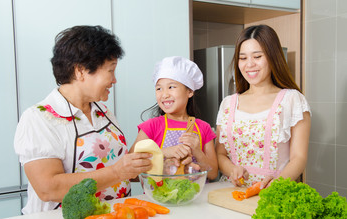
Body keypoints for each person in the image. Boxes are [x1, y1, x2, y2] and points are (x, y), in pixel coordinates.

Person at [14, 25, 152, 214]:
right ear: (80, 71)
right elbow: (48, 188)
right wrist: (117, 172)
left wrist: (150, 164)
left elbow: (119, 169)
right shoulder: (39, 118)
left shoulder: (103, 111)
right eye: (110, 70)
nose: (114, 80)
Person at [216, 25, 311, 189]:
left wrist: (277, 184)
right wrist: (233, 170)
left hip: (273, 195)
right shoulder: (228, 103)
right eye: (243, 58)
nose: (249, 64)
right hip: (232, 194)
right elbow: (220, 154)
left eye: (257, 56)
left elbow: (299, 158)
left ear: (273, 57)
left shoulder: (292, 100)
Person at [130, 56, 218, 180]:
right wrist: (163, 153)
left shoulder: (203, 127)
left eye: (171, 87)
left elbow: (213, 174)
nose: (165, 94)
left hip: (197, 197)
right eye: (159, 88)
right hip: (159, 198)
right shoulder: (151, 126)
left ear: (189, 91)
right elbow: (130, 170)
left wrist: (197, 151)